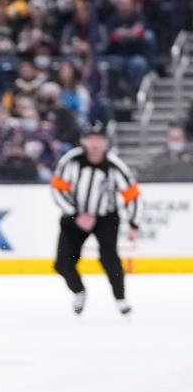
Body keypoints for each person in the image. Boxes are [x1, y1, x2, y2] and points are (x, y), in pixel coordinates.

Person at [50, 121, 141, 315]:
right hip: (74, 217)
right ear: (84, 141)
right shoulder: (71, 160)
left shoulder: (115, 166)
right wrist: (76, 214)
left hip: (105, 218)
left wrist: (134, 224)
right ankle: (79, 291)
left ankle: (120, 298)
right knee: (62, 263)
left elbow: (132, 195)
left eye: (99, 139)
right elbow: (57, 189)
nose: (95, 144)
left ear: (106, 143)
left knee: (110, 259)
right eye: (91, 139)